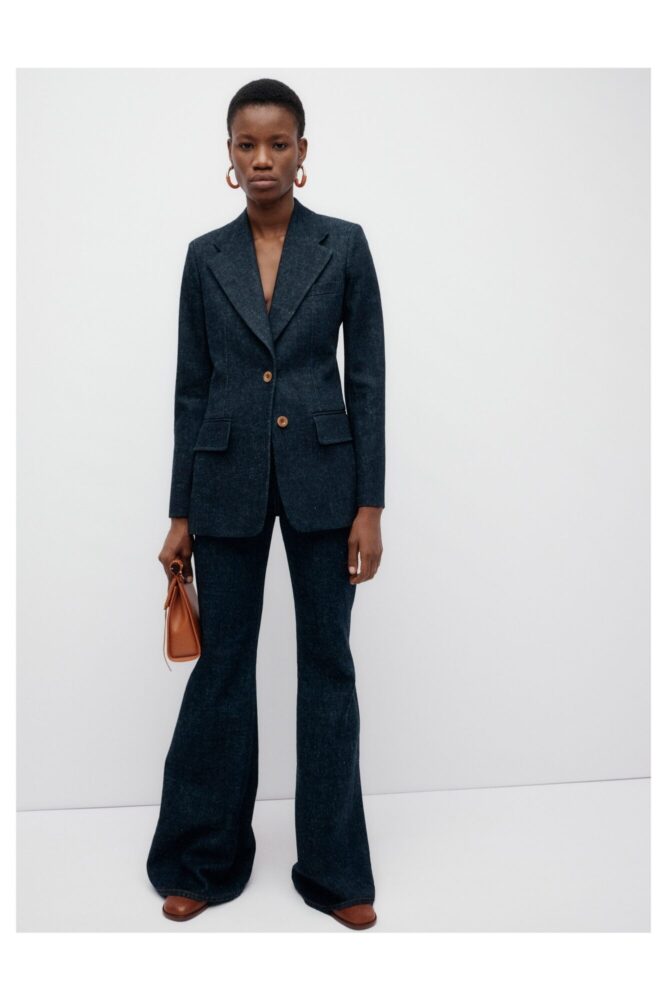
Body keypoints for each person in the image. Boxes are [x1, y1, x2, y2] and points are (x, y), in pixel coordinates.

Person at [146, 78, 385, 931]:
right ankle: (203, 861)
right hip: (224, 480)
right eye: (246, 144)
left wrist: (370, 505)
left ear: (302, 152)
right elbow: (190, 388)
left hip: (326, 482)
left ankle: (334, 870)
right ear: (228, 154)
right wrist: (180, 512)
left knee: (328, 667)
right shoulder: (204, 256)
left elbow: (367, 379)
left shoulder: (343, 245)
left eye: (277, 144)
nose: (261, 159)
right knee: (222, 669)